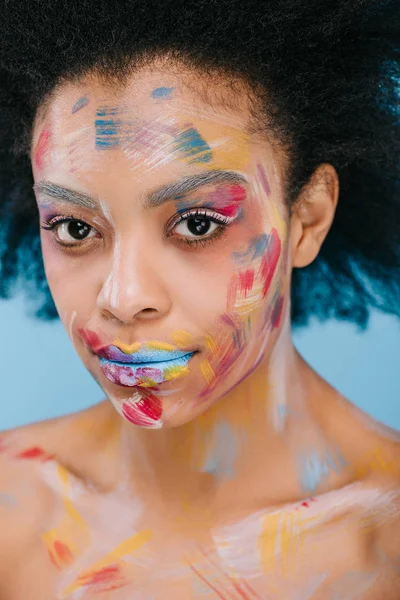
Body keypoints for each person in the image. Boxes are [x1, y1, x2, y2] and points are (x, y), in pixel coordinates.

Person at [0, 0, 399, 597]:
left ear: (308, 218)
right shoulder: (13, 510)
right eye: (76, 229)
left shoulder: (384, 549)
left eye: (196, 224)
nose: (124, 297)